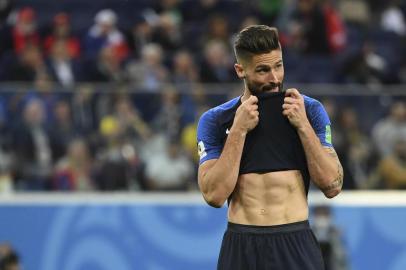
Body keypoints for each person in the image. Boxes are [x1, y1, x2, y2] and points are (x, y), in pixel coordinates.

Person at [196, 25, 343, 270]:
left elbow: (332, 185)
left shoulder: (308, 110)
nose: (274, 78)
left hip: (295, 242)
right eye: (263, 70)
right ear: (240, 70)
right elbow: (214, 195)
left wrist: (303, 127)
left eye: (278, 66)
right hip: (241, 244)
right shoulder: (215, 120)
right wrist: (238, 131)